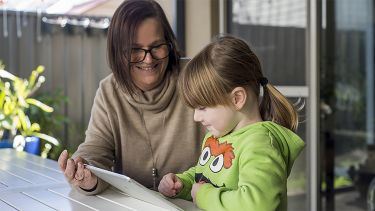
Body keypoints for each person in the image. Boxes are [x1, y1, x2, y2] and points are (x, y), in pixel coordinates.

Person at [57, 0, 204, 195]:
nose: (148, 59)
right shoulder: (109, 91)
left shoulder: (197, 77)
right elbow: (95, 149)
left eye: (157, 46)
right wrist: (85, 172)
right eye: (135, 50)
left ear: (169, 44)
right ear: (117, 52)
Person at [158, 35, 305, 210]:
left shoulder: (259, 145)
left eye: (202, 107)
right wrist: (182, 184)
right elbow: (205, 176)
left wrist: (203, 195)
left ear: (237, 98)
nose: (196, 117)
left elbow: (257, 205)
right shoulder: (220, 136)